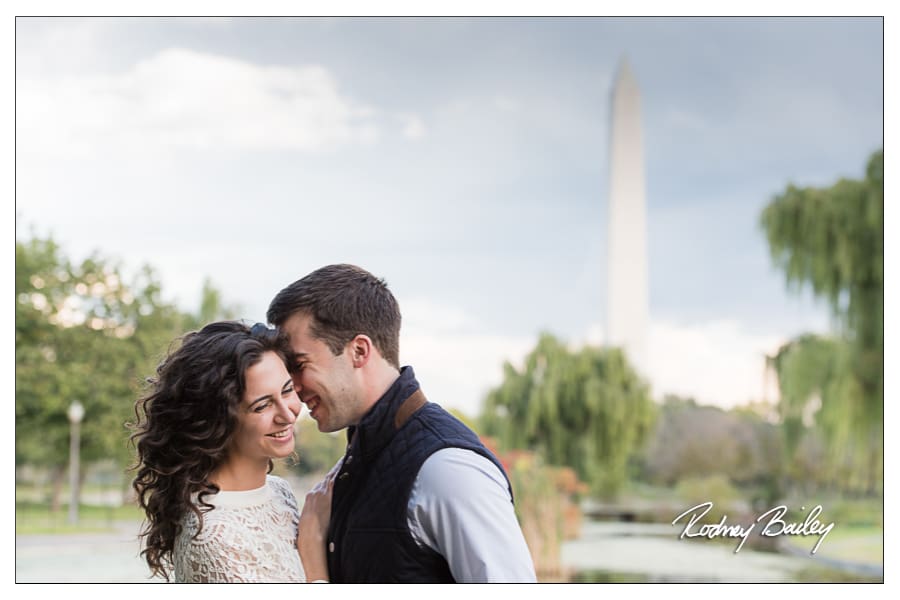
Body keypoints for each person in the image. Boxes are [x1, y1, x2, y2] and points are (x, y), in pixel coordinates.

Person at [266, 264, 537, 583]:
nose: (294, 386)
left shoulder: (448, 470)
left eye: (299, 364)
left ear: (359, 351)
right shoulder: (357, 461)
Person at [129, 321, 331, 583]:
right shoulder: (213, 536)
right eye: (262, 406)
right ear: (219, 420)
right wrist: (314, 552)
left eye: (287, 390)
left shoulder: (279, 491)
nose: (287, 414)